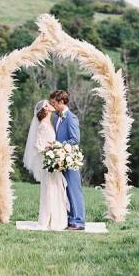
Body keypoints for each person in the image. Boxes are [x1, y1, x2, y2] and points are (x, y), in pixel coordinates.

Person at [22, 99, 69, 230]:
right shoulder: (43, 124)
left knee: (56, 189)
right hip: (49, 164)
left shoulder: (50, 122)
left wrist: (55, 149)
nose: (51, 105)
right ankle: (49, 220)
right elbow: (38, 145)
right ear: (45, 109)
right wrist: (51, 150)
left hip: (54, 162)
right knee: (50, 190)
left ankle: (58, 219)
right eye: (48, 104)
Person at [50, 89, 85, 230]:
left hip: (70, 158)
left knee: (74, 189)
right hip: (60, 159)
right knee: (65, 191)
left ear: (61, 102)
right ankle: (70, 219)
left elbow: (75, 140)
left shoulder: (71, 118)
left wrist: (59, 146)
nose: (52, 106)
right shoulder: (56, 117)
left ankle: (79, 221)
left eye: (54, 103)